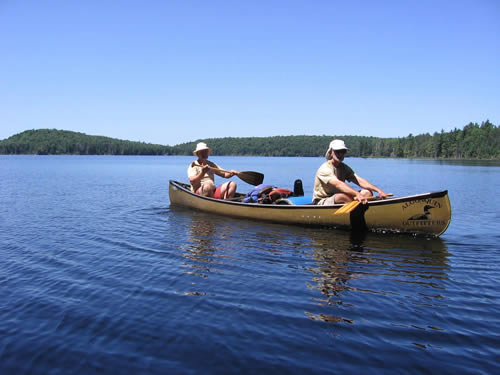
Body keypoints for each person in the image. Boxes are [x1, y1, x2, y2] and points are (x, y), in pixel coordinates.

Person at [313, 139, 389, 205]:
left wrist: (379, 191)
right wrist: (357, 194)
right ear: (331, 152)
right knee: (342, 197)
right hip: (322, 200)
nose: (340, 154)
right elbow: (338, 184)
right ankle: (356, 209)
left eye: (343, 151)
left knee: (367, 192)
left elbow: (359, 180)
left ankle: (358, 206)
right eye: (337, 151)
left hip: (339, 197)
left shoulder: (343, 167)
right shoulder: (325, 169)